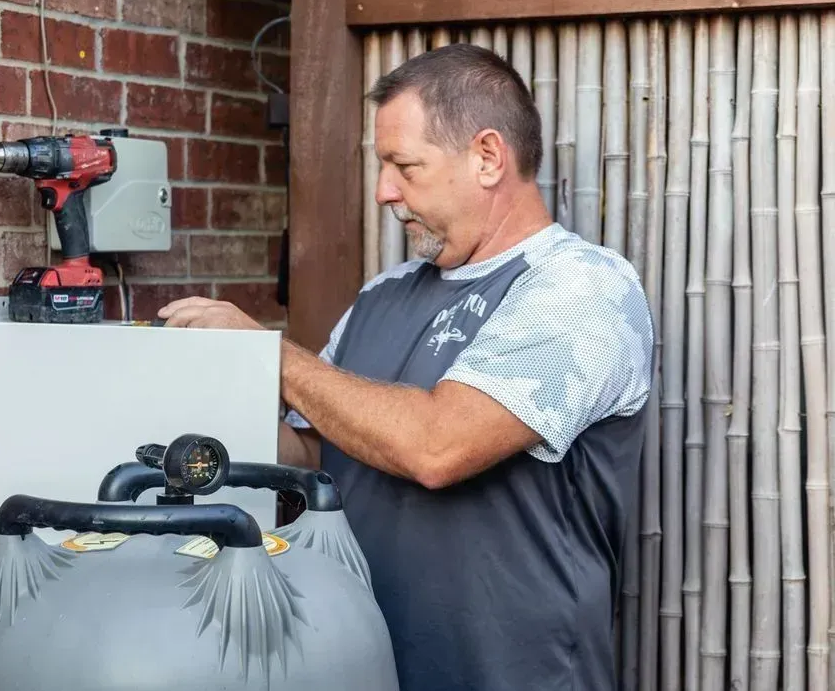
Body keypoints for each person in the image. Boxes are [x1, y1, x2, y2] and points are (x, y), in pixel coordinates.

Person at [157, 43, 655, 691]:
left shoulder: (581, 289)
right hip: (361, 665)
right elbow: (309, 452)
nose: (385, 191)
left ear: (487, 157)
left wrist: (268, 353)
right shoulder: (382, 296)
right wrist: (205, 387)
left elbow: (439, 445)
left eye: (404, 165)